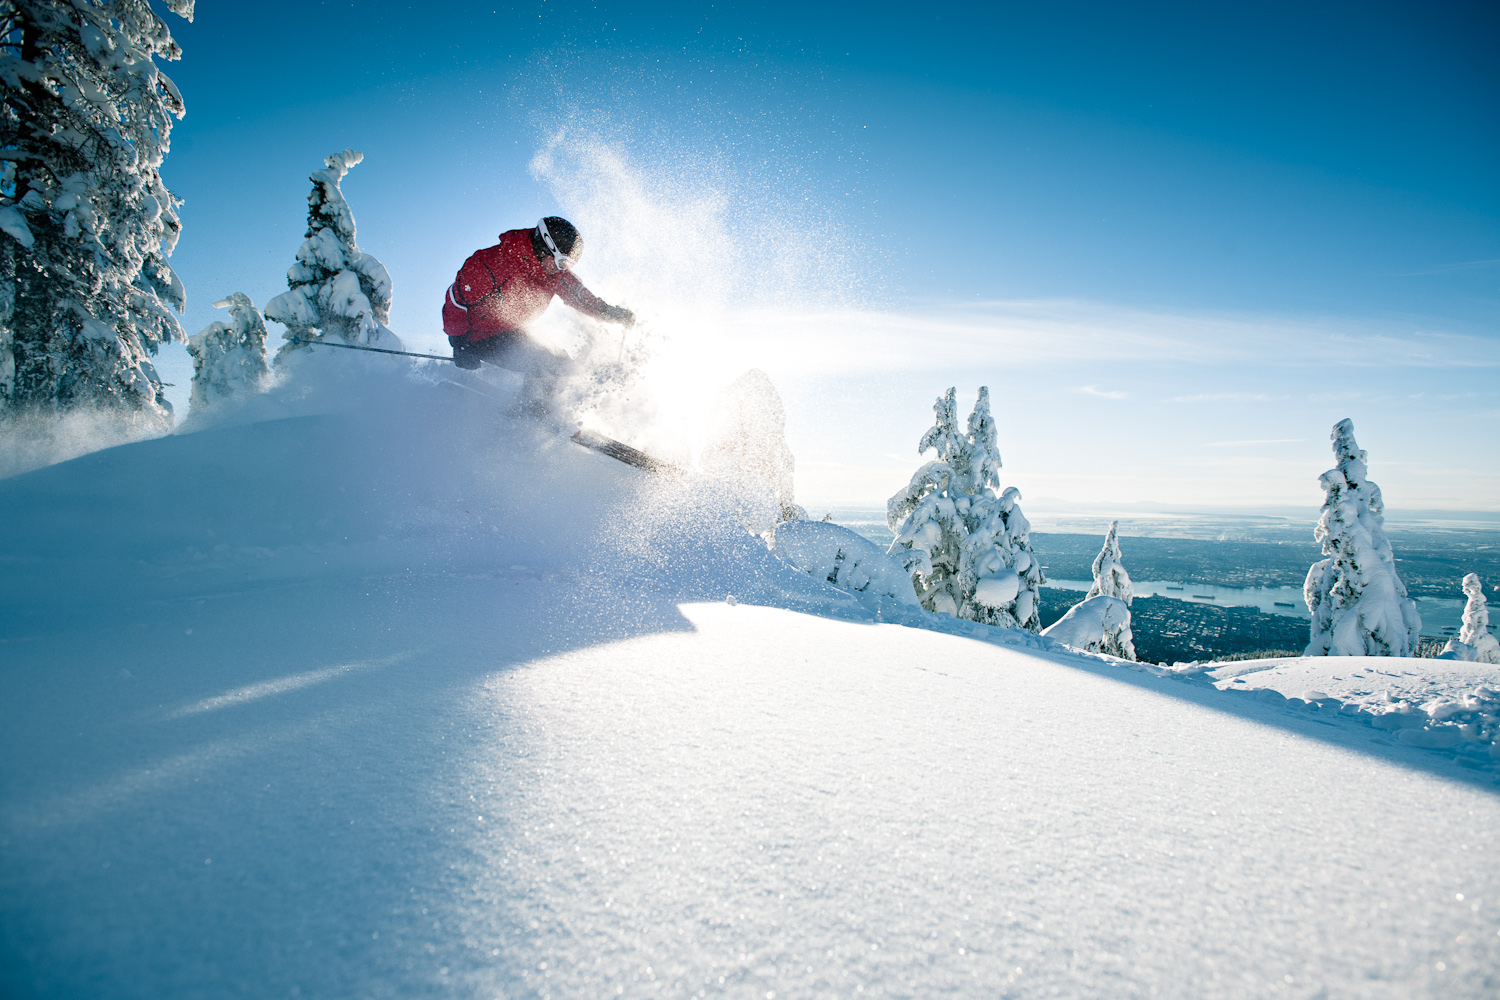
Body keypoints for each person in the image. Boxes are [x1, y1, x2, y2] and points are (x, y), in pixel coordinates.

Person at [442, 217, 634, 373]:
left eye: (567, 265)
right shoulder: (490, 265)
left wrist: (609, 312)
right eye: (561, 262)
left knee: (560, 362)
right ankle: (530, 412)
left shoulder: (555, 275)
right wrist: (459, 344)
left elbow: (579, 297)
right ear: (545, 248)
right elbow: (456, 302)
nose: (563, 270)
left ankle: (535, 405)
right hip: (477, 337)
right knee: (544, 363)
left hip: (511, 330)